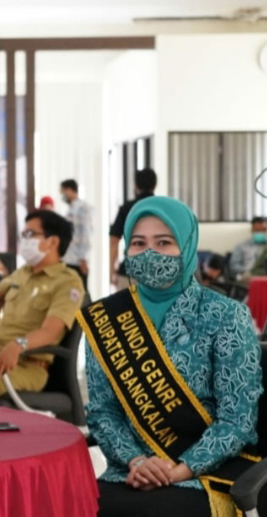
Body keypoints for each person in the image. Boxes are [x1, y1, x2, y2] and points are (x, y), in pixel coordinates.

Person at [82, 196, 262, 517]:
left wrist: (177, 470)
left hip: (205, 474)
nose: (150, 253)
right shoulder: (105, 319)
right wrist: (137, 462)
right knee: (75, 505)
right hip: (129, 472)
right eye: (138, 243)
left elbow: (237, 421)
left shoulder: (226, 316)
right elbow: (102, 413)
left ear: (188, 244)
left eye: (164, 242)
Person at [0, 210, 85, 405]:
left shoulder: (67, 282)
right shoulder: (23, 272)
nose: (24, 241)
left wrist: (19, 344)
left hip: (26, 364)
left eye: (30, 235)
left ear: (53, 241)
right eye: (23, 235)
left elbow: (50, 332)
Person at [110, 168, 157, 290]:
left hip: (129, 272)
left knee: (125, 308)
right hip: (157, 272)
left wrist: (111, 271)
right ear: (155, 185)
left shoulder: (127, 208)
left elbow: (114, 241)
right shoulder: (162, 208)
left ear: (136, 185)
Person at [60, 178, 92, 293]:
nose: (62, 195)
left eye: (63, 191)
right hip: (70, 258)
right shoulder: (72, 208)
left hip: (78, 260)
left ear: (69, 190)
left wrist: (83, 258)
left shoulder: (81, 208)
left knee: (81, 294)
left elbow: (85, 234)